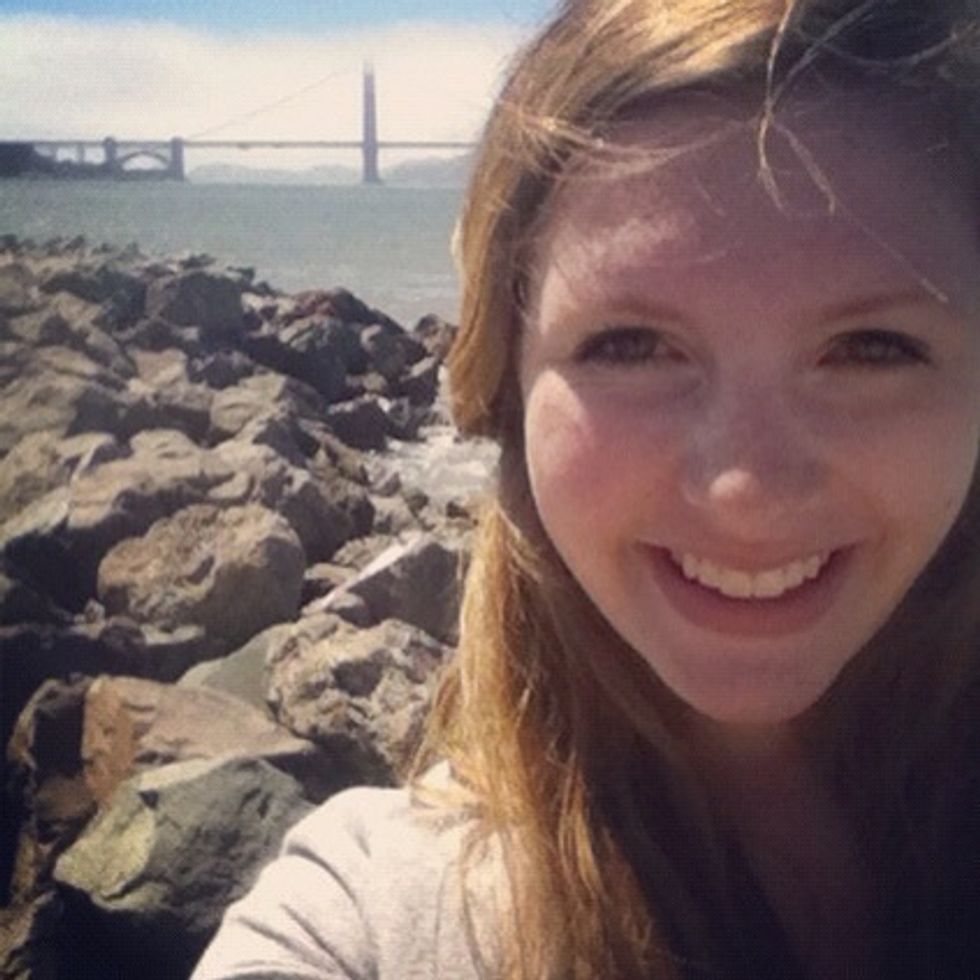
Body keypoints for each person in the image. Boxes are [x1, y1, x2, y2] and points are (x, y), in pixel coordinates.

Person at [193, 1, 980, 977]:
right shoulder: (367, 916)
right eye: (631, 345)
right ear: (502, 389)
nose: (744, 489)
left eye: (869, 348)